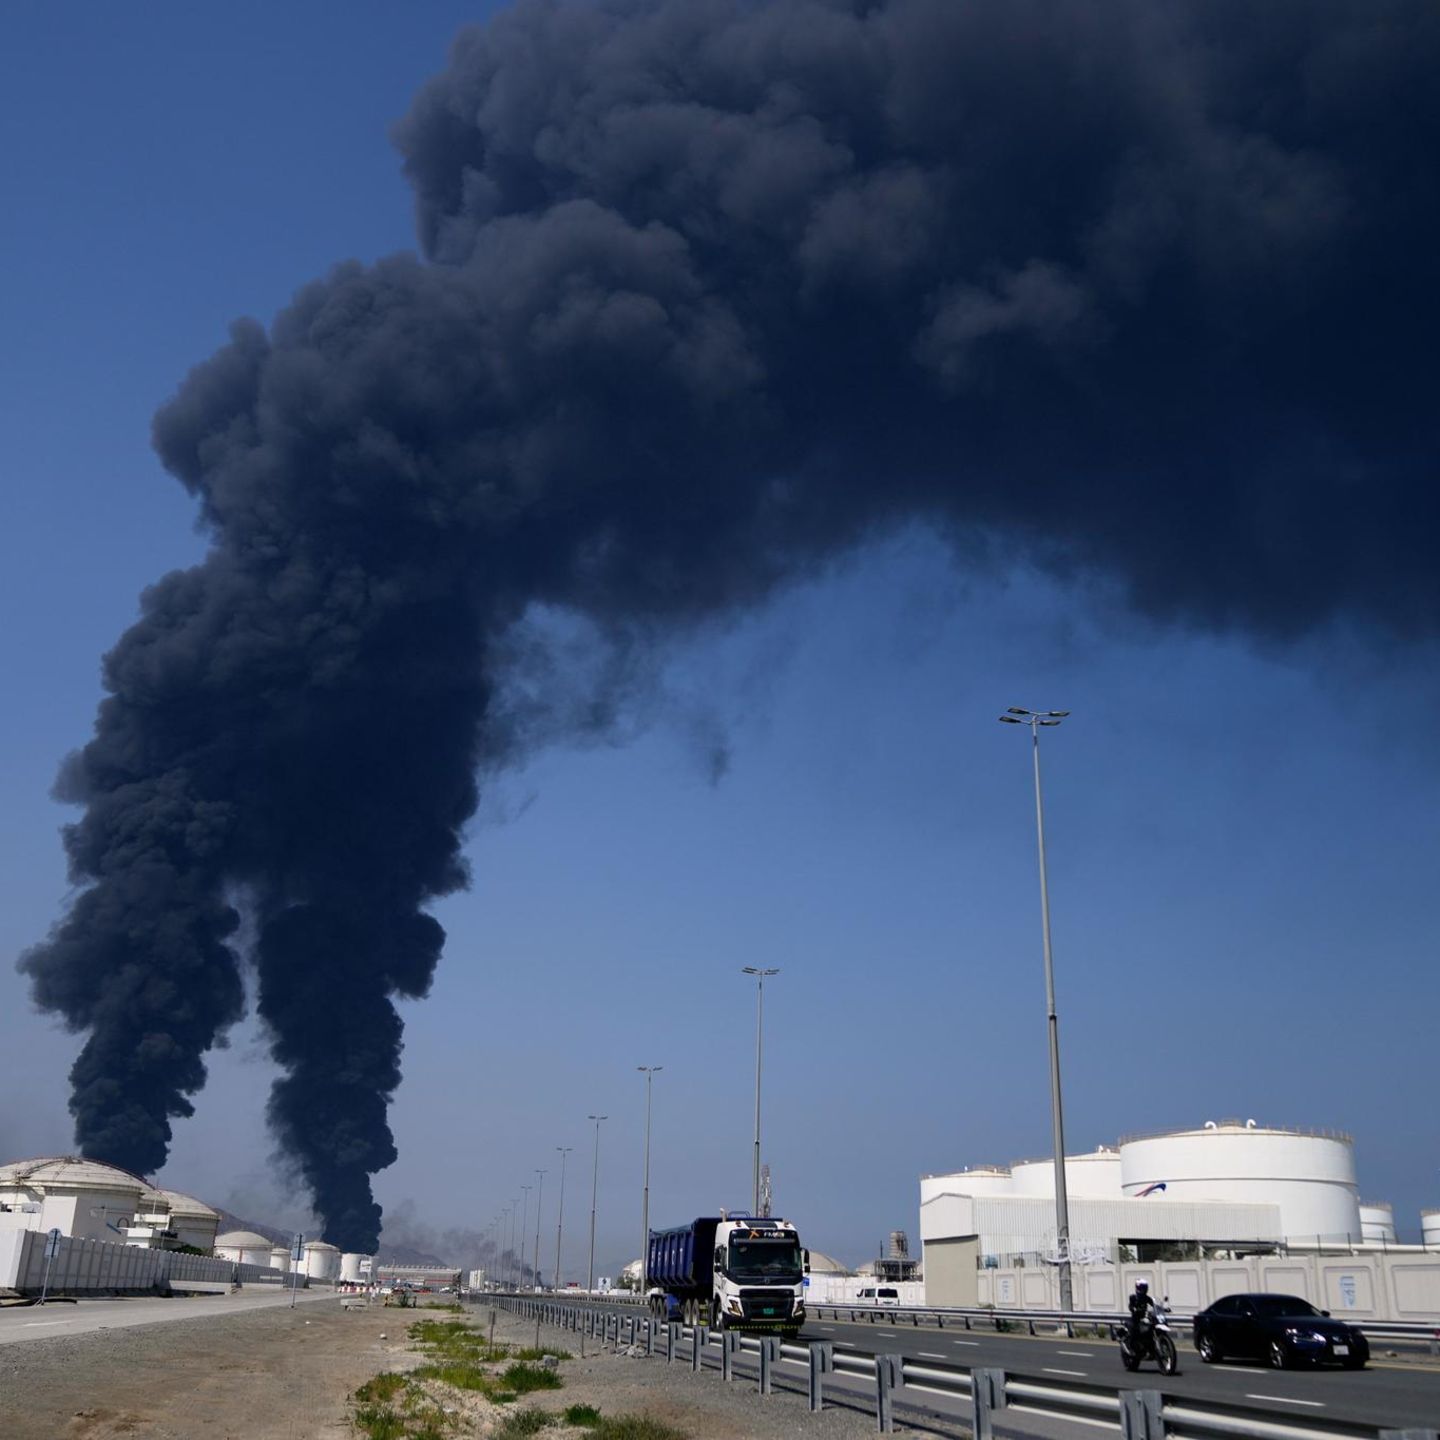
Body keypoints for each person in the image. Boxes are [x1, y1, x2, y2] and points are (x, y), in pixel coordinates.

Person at [1127, 1279, 1158, 1348]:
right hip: (1136, 1319)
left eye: (1144, 1288)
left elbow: (1154, 1304)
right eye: (1142, 1288)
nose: (1143, 1290)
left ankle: (1151, 1346)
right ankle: (1132, 1348)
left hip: (1145, 1318)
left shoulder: (1147, 1298)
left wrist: (1162, 1308)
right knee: (1135, 1331)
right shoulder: (1133, 1297)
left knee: (1151, 1328)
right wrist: (1133, 1309)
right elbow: (1130, 1305)